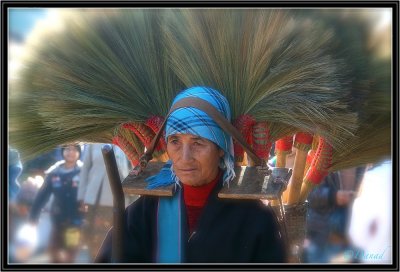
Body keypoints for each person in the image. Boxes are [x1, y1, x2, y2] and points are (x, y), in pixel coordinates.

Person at [96, 86, 287, 263]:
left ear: (221, 148)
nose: (185, 158)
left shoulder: (254, 218)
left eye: (198, 142)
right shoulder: (145, 212)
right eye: (175, 141)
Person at [77, 143, 133, 261]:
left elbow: (132, 168)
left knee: (109, 238)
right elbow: (85, 169)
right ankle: (94, 260)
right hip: (92, 199)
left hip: (114, 201)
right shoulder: (94, 143)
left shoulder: (126, 142)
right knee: (91, 235)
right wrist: (82, 196)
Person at [29, 144, 83, 263]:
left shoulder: (83, 173)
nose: (71, 152)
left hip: (75, 222)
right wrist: (33, 217)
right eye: (68, 149)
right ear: (63, 152)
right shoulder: (54, 173)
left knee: (71, 254)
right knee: (54, 253)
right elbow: (41, 197)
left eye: (74, 150)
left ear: (79, 153)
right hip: (58, 219)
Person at [303, 166, 365, 263]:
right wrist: (333, 196)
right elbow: (308, 194)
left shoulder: (365, 164)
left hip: (351, 237)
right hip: (322, 237)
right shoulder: (322, 160)